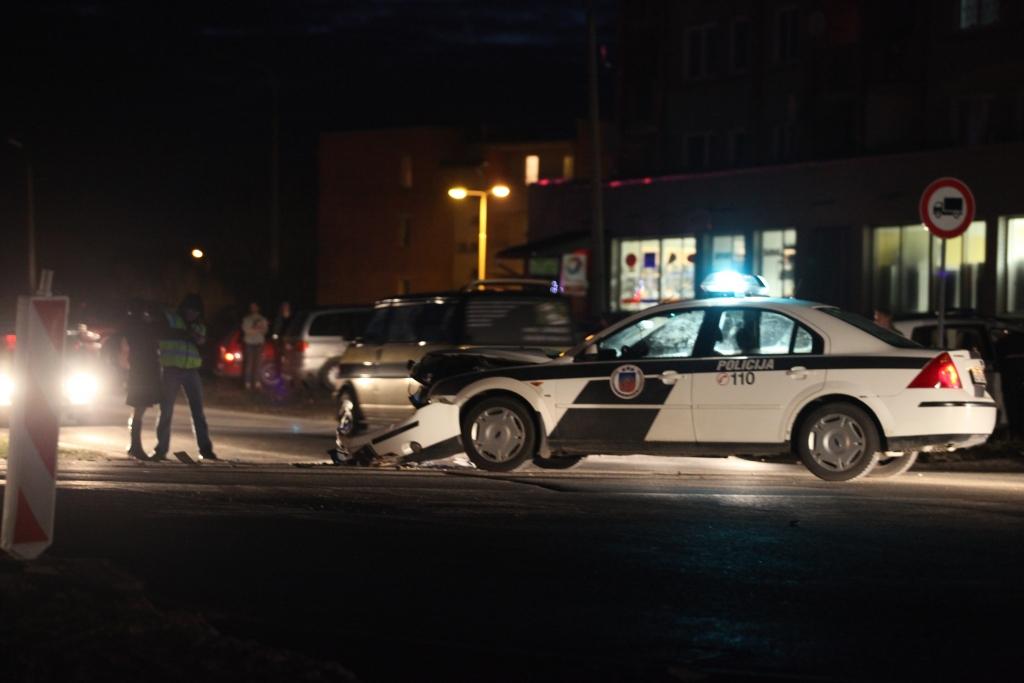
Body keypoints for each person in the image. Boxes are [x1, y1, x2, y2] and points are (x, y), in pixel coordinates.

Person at [153, 293, 217, 461]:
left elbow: (202, 342)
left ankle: (205, 449)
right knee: (166, 410)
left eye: (196, 311)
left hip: (191, 371)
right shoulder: (171, 319)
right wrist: (185, 333)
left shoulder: (199, 325)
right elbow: (162, 332)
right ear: (183, 308)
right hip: (171, 369)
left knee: (198, 412)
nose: (192, 314)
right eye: (190, 310)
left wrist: (192, 334)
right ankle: (161, 449)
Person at [121, 300, 162, 460]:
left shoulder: (132, 326)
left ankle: (135, 445)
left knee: (139, 407)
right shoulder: (141, 327)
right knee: (139, 407)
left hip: (141, 369)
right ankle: (135, 446)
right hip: (143, 370)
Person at [241, 302, 269, 390]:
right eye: (252, 307)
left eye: (255, 307)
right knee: (249, 363)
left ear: (258, 308)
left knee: (258, 363)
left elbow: (265, 331)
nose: (253, 308)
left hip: (259, 343)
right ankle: (247, 382)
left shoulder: (262, 319)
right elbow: (246, 330)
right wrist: (257, 328)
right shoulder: (247, 319)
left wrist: (256, 329)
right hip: (249, 343)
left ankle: (257, 382)